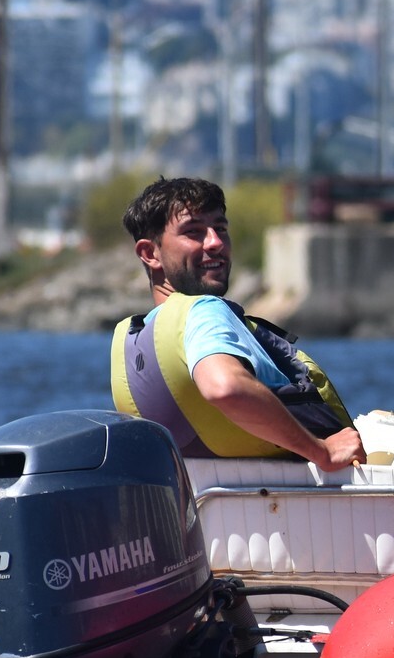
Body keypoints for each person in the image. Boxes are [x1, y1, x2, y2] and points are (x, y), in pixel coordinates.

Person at [111, 176, 364, 470]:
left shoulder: (135, 339)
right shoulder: (205, 311)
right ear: (149, 253)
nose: (216, 242)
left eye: (220, 228)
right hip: (285, 502)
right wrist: (322, 452)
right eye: (193, 232)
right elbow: (225, 387)